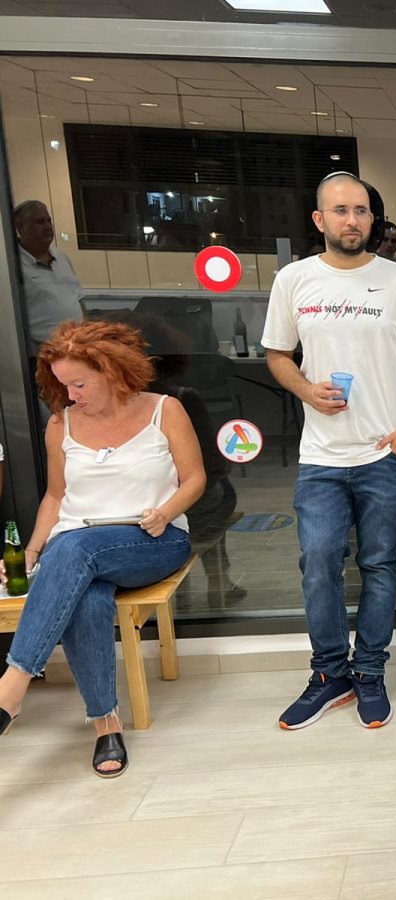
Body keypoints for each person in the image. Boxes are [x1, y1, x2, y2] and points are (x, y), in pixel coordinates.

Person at [263, 171, 396, 730]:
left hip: (384, 454)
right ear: (319, 220)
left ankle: (368, 670)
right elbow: (277, 355)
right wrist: (305, 390)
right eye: (340, 210)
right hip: (321, 456)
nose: (352, 220)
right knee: (319, 563)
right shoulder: (294, 280)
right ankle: (328, 674)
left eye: (361, 210)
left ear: (373, 219)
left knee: (380, 564)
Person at [0, 319, 204, 775]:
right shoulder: (62, 424)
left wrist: (166, 511)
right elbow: (56, 497)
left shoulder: (165, 410)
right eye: (62, 385)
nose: (70, 394)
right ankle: (106, 725)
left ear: (112, 371)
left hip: (152, 540)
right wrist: (30, 553)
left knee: (74, 551)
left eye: (79, 383)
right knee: (88, 596)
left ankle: (11, 687)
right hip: (76, 548)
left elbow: (195, 479)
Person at [13, 200, 84, 347]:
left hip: (77, 346)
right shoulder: (13, 265)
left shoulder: (62, 258)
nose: (47, 227)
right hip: (41, 351)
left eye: (48, 221)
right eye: (39, 222)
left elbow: (79, 299)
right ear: (21, 227)